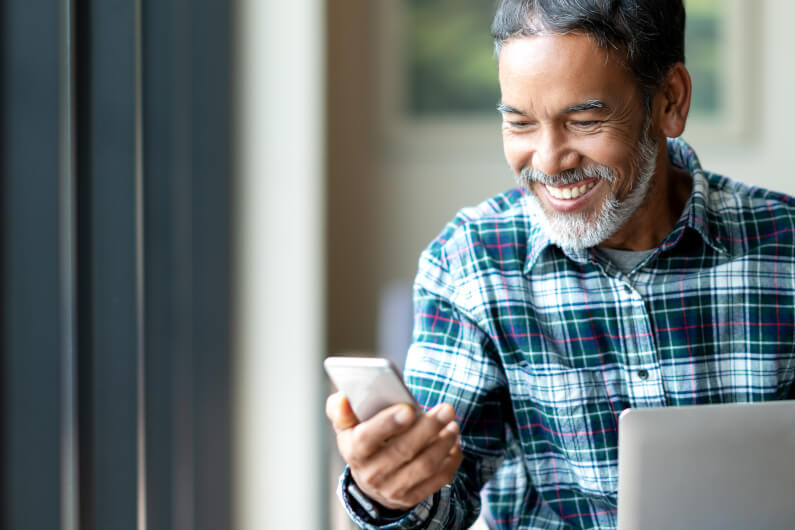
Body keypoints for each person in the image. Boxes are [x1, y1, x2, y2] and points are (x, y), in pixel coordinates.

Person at [326, 0, 795, 528]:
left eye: (585, 120)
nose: (549, 161)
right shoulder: (472, 261)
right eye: (521, 123)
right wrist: (391, 491)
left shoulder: (785, 247)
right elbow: (442, 504)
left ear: (670, 100)